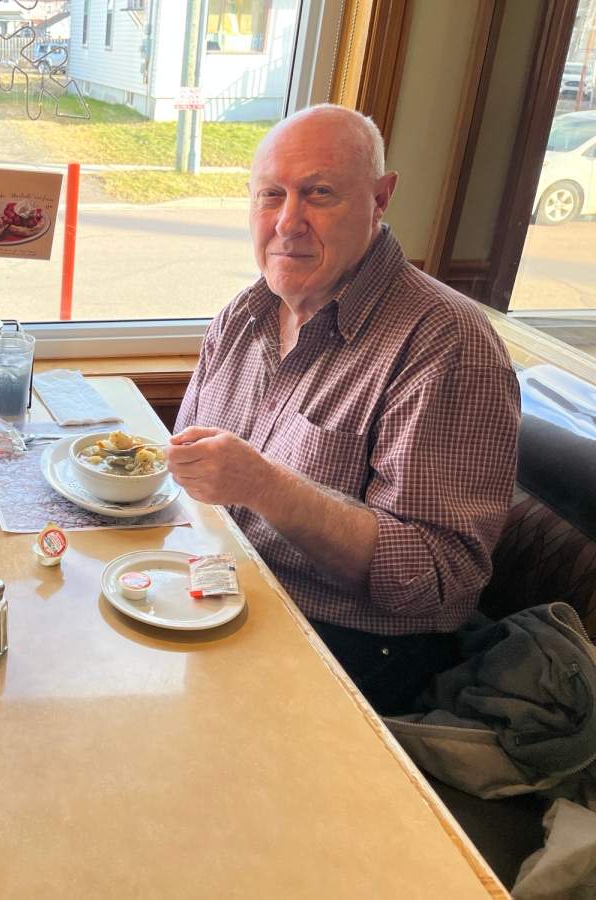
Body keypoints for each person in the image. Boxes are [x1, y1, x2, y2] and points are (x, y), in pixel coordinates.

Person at [167, 105, 520, 714]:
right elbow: (190, 481)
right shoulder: (242, 315)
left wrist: (267, 486)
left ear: (381, 198)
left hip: (354, 648)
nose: (288, 222)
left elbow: (441, 582)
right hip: (223, 589)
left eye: (319, 194)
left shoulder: (446, 342)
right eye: (270, 195)